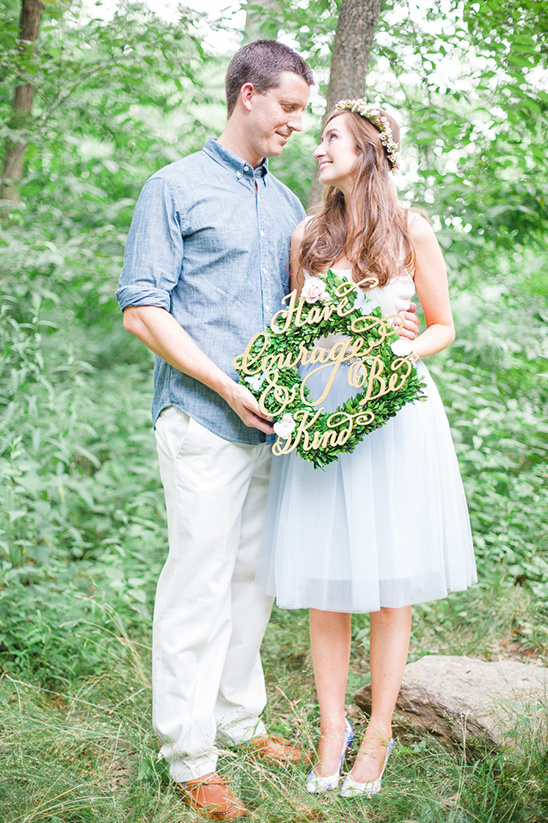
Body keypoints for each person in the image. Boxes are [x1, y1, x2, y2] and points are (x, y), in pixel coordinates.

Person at [116, 40, 315, 821]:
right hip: (201, 418)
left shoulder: (288, 203)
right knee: (199, 585)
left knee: (252, 582)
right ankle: (190, 756)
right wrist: (225, 386)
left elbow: (306, 313)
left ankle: (238, 721)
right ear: (247, 96)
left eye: (303, 112)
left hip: (270, 430)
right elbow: (142, 309)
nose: (296, 123)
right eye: (288, 108)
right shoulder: (174, 187)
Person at [256, 100, 477, 799]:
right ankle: (331, 727)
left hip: (393, 421)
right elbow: (296, 332)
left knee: (386, 585)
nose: (317, 148)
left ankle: (378, 728)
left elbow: (442, 324)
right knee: (327, 584)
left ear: (368, 150)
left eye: (330, 139)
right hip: (326, 420)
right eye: (317, 137)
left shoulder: (410, 229)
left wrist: (400, 349)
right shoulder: (307, 235)